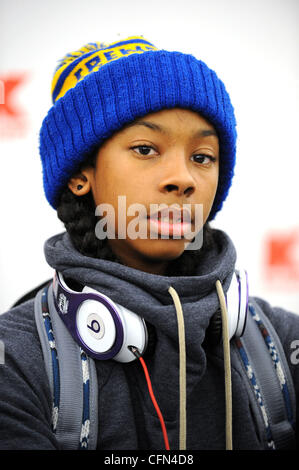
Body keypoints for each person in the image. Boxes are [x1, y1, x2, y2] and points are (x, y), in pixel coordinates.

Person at [0, 35, 298, 451]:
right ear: (79, 175)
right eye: (145, 149)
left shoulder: (283, 342)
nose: (184, 179)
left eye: (202, 157)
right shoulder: (15, 362)